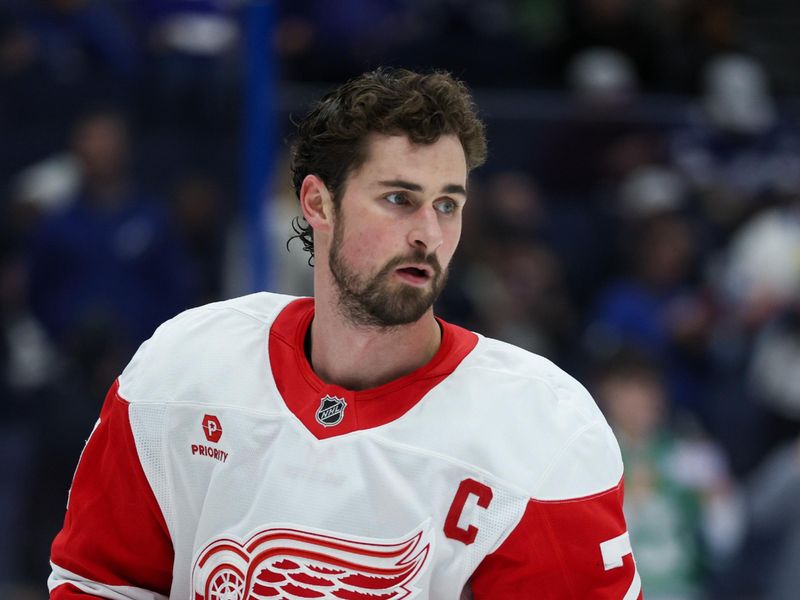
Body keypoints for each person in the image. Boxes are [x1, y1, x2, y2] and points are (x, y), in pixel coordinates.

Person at [48, 68, 641, 599]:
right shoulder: (183, 367)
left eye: (447, 205)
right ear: (318, 202)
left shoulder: (544, 427)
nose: (428, 235)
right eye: (398, 199)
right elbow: (99, 585)